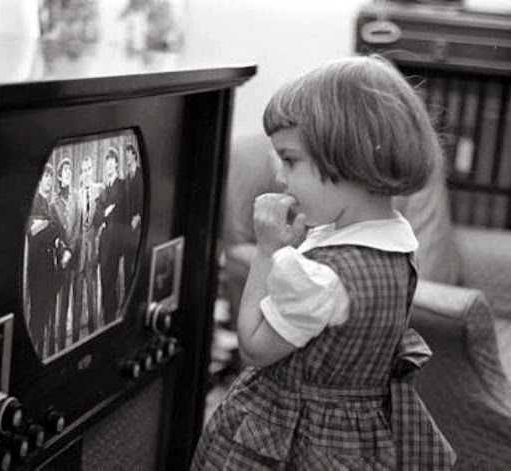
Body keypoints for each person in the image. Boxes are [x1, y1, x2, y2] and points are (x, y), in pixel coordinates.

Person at [192, 55, 456, 470]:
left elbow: (255, 347)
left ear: (348, 154)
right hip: (357, 441)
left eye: (290, 160)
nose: (280, 178)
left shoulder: (321, 277)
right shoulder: (397, 240)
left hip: (285, 442)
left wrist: (266, 252)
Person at [26, 164, 61, 359]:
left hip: (48, 267)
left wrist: (48, 225)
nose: (48, 179)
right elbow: (33, 232)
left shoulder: (47, 204)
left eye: (50, 176)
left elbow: (55, 230)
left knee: (44, 314)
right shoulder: (35, 202)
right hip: (37, 267)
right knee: (37, 316)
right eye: (45, 176)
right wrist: (50, 225)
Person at [72, 155, 105, 339]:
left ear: (92, 170)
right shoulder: (75, 194)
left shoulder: (99, 190)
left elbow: (104, 216)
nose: (86, 173)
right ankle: (75, 339)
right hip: (78, 254)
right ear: (81, 174)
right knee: (77, 299)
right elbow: (73, 225)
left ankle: (94, 334)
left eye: (89, 169)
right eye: (83, 170)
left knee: (92, 295)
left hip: (92, 251)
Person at [94, 147, 125, 325]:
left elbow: (118, 205)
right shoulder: (105, 190)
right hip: (104, 242)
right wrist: (106, 210)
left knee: (111, 282)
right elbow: (98, 217)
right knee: (105, 282)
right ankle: (107, 320)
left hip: (114, 243)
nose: (108, 166)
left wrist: (105, 210)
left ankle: (111, 320)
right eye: (106, 163)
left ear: (116, 164)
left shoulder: (120, 185)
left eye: (111, 162)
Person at [51, 157, 75, 351]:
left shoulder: (76, 198)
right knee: (56, 308)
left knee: (68, 304)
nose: (68, 173)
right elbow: (55, 236)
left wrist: (71, 251)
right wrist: (63, 253)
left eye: (70, 171)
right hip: (59, 262)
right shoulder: (54, 204)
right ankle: (56, 347)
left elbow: (78, 230)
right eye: (65, 171)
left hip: (75, 259)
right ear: (59, 177)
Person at [122, 143, 144, 295]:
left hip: (138, 224)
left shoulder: (140, 174)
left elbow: (144, 197)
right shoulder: (127, 177)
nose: (126, 157)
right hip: (127, 225)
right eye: (125, 154)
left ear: (134, 154)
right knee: (127, 264)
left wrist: (139, 216)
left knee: (136, 260)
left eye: (128, 153)